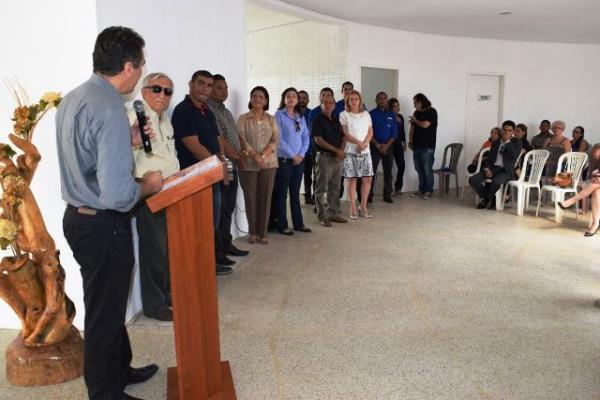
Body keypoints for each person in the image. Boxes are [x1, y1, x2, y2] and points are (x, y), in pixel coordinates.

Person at [57, 26, 162, 400]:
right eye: (142, 65)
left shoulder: (75, 98)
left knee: (108, 301)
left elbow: (87, 157)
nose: (141, 72)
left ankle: (120, 368)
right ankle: (105, 392)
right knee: (104, 313)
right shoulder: (110, 109)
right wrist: (149, 185)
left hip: (79, 218)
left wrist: (127, 141)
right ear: (129, 67)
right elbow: (119, 195)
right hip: (103, 224)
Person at [128, 72, 179, 322]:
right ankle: (154, 304)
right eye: (157, 89)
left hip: (173, 190)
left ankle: (167, 293)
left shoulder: (164, 118)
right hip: (151, 192)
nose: (163, 95)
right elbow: (125, 151)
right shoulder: (135, 114)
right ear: (145, 90)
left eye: (168, 91)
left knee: (168, 248)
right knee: (154, 250)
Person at [171, 70, 232, 275]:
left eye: (208, 85)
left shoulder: (207, 109)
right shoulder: (183, 111)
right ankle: (199, 267)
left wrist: (222, 162)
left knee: (210, 224)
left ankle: (209, 263)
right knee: (198, 226)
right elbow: (193, 145)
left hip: (211, 175)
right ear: (191, 84)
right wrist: (217, 165)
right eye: (201, 83)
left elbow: (217, 140)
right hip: (194, 178)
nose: (205, 88)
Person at [207, 74, 250, 261]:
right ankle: (218, 251)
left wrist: (243, 153)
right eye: (219, 88)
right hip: (222, 165)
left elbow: (235, 135)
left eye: (225, 88)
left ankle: (227, 243)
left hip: (234, 163)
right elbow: (221, 139)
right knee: (221, 208)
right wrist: (237, 156)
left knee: (229, 206)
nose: (224, 91)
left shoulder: (225, 111)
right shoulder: (210, 110)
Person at [237, 86, 279, 244]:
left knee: (265, 199)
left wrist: (262, 156)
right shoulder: (243, 118)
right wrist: (255, 156)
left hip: (269, 163)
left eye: (261, 97)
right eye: (254, 96)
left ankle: (263, 233)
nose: (257, 99)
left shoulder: (271, 119)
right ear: (250, 99)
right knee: (251, 198)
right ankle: (253, 232)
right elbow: (241, 139)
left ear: (266, 101)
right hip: (248, 164)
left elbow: (275, 140)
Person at [273, 87, 311, 235]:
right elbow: (278, 139)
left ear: (297, 100)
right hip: (284, 160)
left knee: (295, 192)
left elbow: (306, 137)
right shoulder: (279, 115)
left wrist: (301, 155)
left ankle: (299, 224)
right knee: (282, 193)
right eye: (288, 96)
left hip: (299, 160)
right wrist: (292, 155)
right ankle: (282, 225)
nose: (291, 98)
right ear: (284, 99)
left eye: (294, 96)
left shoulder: (300, 116)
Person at [468, 120, 522, 210]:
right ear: (502, 130)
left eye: (510, 130)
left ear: (513, 132)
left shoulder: (517, 142)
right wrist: (486, 169)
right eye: (505, 130)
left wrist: (507, 142)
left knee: (496, 182)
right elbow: (489, 158)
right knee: (473, 179)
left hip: (506, 170)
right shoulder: (496, 142)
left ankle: (487, 200)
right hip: (493, 168)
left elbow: (515, 155)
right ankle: (489, 198)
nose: (507, 132)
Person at [312, 96, 348, 226]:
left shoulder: (336, 120)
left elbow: (344, 138)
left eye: (331, 103)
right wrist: (337, 151)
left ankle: (333, 214)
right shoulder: (317, 120)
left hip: (336, 159)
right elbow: (318, 140)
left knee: (335, 188)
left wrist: (340, 153)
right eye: (325, 103)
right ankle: (322, 216)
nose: (328, 105)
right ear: (321, 105)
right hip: (324, 158)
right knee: (321, 189)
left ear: (334, 105)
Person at [340, 90, 374, 219]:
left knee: (367, 179)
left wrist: (365, 143)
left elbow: (370, 131)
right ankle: (353, 206)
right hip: (351, 150)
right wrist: (358, 143)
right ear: (348, 101)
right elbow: (345, 134)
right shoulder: (344, 115)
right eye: (351, 99)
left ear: (360, 101)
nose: (354, 101)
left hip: (365, 150)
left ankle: (363, 206)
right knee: (352, 179)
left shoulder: (366, 114)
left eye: (356, 99)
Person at [559, 144, 600, 236]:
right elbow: (591, 175)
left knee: (596, 187)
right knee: (596, 190)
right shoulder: (594, 160)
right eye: (593, 150)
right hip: (595, 185)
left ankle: (571, 201)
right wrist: (595, 178)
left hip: (594, 184)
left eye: (596, 151)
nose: (594, 153)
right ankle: (595, 224)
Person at [369, 91, 397, 203]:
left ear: (387, 100)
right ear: (376, 100)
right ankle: (369, 196)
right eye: (379, 98)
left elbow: (394, 133)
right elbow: (368, 132)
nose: (382, 100)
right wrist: (377, 144)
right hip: (373, 146)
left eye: (384, 98)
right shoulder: (370, 114)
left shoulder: (392, 115)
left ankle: (387, 195)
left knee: (388, 172)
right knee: (371, 172)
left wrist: (386, 146)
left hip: (388, 147)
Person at [409, 93, 438, 199]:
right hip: (416, 146)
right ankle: (421, 190)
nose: (414, 105)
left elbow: (425, 125)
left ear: (420, 102)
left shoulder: (432, 111)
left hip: (427, 146)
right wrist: (410, 142)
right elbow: (412, 128)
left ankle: (429, 190)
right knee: (419, 169)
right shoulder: (416, 112)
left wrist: (415, 121)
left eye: (415, 103)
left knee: (427, 170)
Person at [298, 90, 315, 205]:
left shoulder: (312, 113)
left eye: (305, 98)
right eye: (300, 98)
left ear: (308, 100)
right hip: (296, 151)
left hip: (310, 150)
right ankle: (294, 195)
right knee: (297, 175)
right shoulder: (291, 113)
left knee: (309, 174)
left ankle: (309, 196)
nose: (303, 99)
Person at [388, 98, 406, 195]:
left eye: (397, 105)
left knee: (402, 165)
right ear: (390, 107)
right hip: (389, 144)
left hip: (398, 144)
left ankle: (398, 188)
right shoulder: (388, 116)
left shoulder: (401, 117)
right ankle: (389, 189)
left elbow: (402, 132)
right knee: (389, 167)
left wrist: (404, 142)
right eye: (394, 106)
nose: (397, 108)